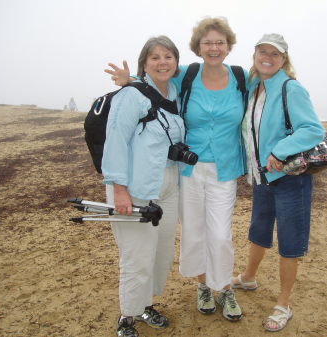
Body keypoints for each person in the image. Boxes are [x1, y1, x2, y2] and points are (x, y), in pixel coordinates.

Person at [105, 17, 246, 321]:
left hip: (220, 168)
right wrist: (131, 80)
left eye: (219, 42)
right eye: (207, 42)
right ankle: (201, 287)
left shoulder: (240, 77)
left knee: (218, 235)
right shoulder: (189, 76)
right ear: (198, 46)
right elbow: (152, 83)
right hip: (185, 173)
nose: (213, 47)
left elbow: (160, 81)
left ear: (228, 45)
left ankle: (223, 287)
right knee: (192, 233)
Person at [231, 34, 325, 332]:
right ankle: (248, 278)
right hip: (262, 177)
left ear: (283, 59)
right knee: (258, 229)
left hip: (289, 178)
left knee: (290, 239)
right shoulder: (254, 87)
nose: (267, 57)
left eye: (275, 53)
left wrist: (278, 151)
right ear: (255, 54)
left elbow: (312, 129)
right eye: (263, 51)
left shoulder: (290, 88)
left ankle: (283, 304)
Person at [102, 36, 185, 337]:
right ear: (144, 62)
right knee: (136, 254)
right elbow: (115, 143)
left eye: (168, 56)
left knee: (160, 253)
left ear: (176, 62)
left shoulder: (174, 92)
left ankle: (145, 304)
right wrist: (119, 190)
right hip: (134, 187)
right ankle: (128, 316)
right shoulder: (130, 96)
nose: (162, 62)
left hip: (169, 185)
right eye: (155, 57)